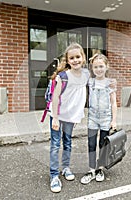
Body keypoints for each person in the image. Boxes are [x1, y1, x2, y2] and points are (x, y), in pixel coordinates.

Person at [49, 43, 90, 193]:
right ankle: (54, 175)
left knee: (67, 142)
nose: (75, 60)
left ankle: (65, 168)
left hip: (71, 117)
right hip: (58, 116)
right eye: (71, 58)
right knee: (55, 145)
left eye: (78, 57)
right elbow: (55, 97)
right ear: (67, 60)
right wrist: (54, 118)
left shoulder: (85, 75)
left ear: (83, 58)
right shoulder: (63, 77)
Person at [80, 53, 117, 185]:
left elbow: (113, 103)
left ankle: (100, 168)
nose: (99, 69)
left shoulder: (110, 83)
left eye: (101, 66)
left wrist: (114, 120)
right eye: (95, 67)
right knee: (91, 144)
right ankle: (91, 170)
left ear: (106, 67)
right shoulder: (90, 81)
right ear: (92, 68)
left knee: (103, 143)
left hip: (106, 118)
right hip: (93, 118)